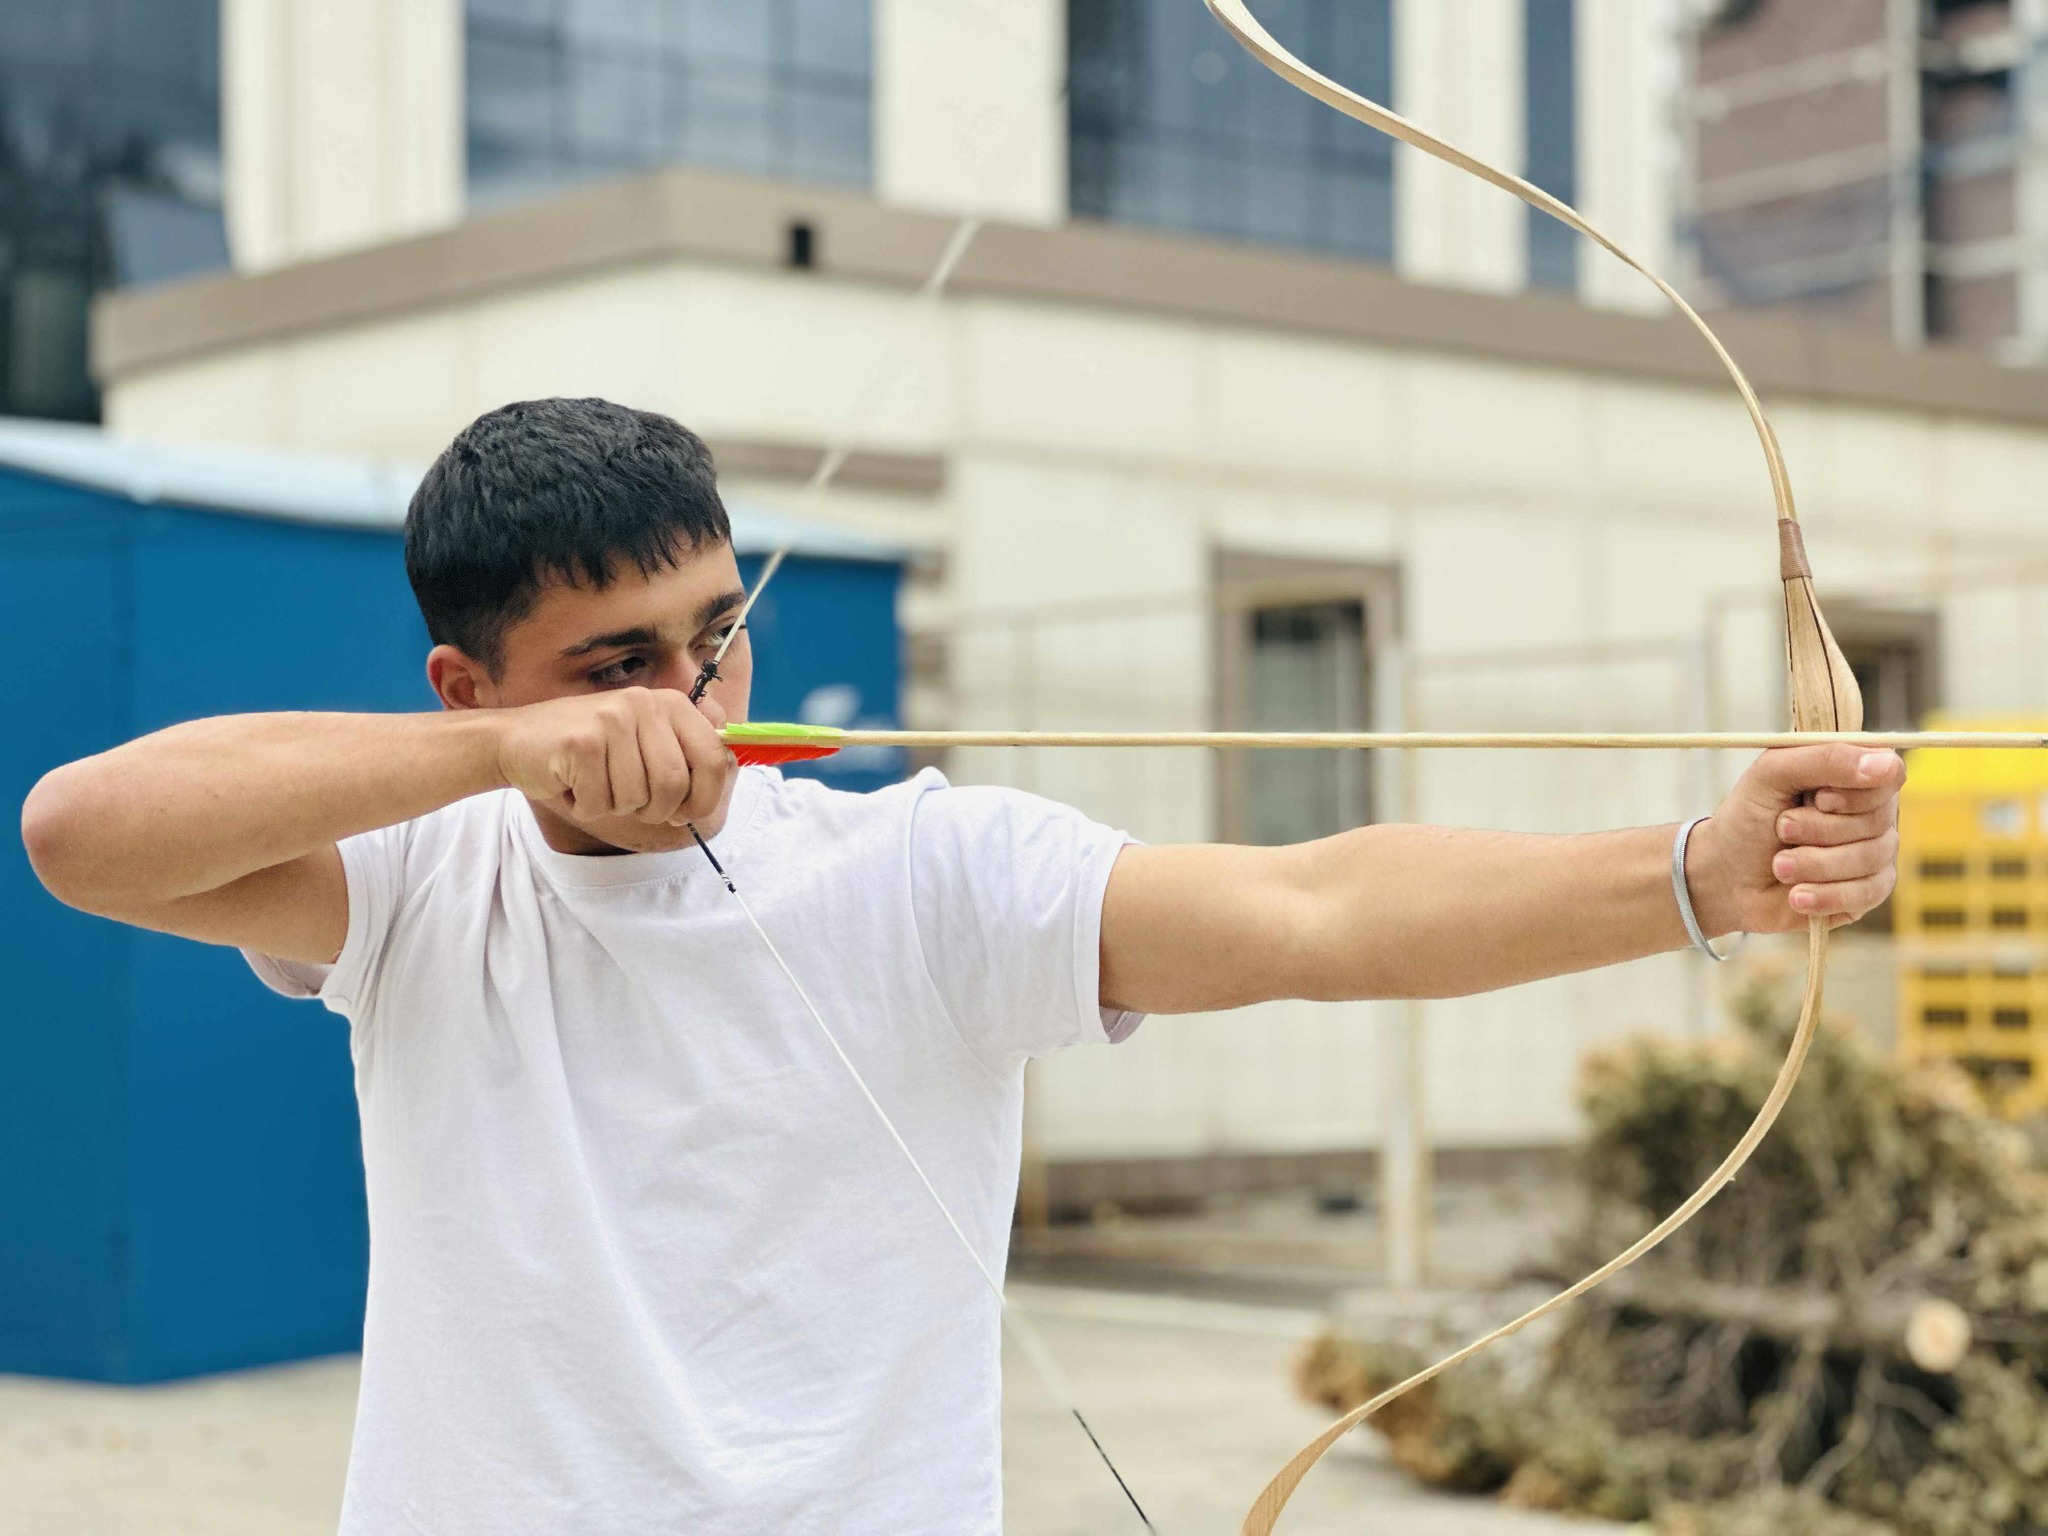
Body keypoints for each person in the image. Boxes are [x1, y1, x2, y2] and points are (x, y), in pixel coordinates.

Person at [20, 398, 1903, 1535]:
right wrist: (498, 769)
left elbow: (1320, 910)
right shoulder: (420, 882)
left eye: (716, 636)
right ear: (470, 684)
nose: (693, 700)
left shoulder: (927, 870)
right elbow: (78, 836)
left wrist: (1706, 869)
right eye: (618, 667)